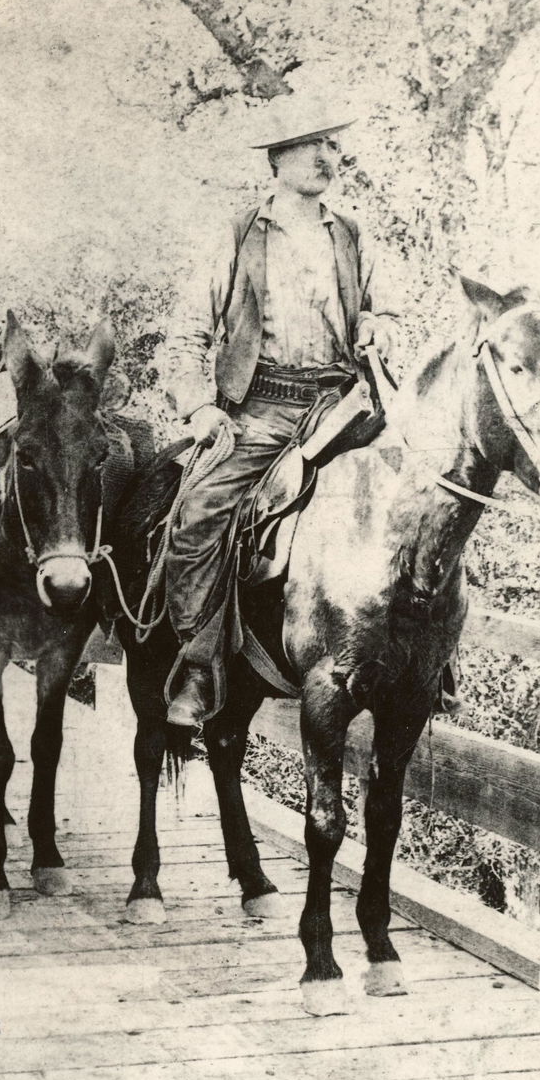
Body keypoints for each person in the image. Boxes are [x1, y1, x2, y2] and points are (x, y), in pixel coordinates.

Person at [158, 95, 399, 730]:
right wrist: (200, 408)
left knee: (419, 496)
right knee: (196, 516)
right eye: (311, 144)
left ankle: (427, 658)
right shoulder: (237, 234)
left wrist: (379, 326)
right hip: (260, 410)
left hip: (342, 410)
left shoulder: (351, 235)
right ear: (278, 158)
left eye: (333, 145)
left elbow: (385, 312)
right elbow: (184, 336)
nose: (327, 156)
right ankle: (200, 663)